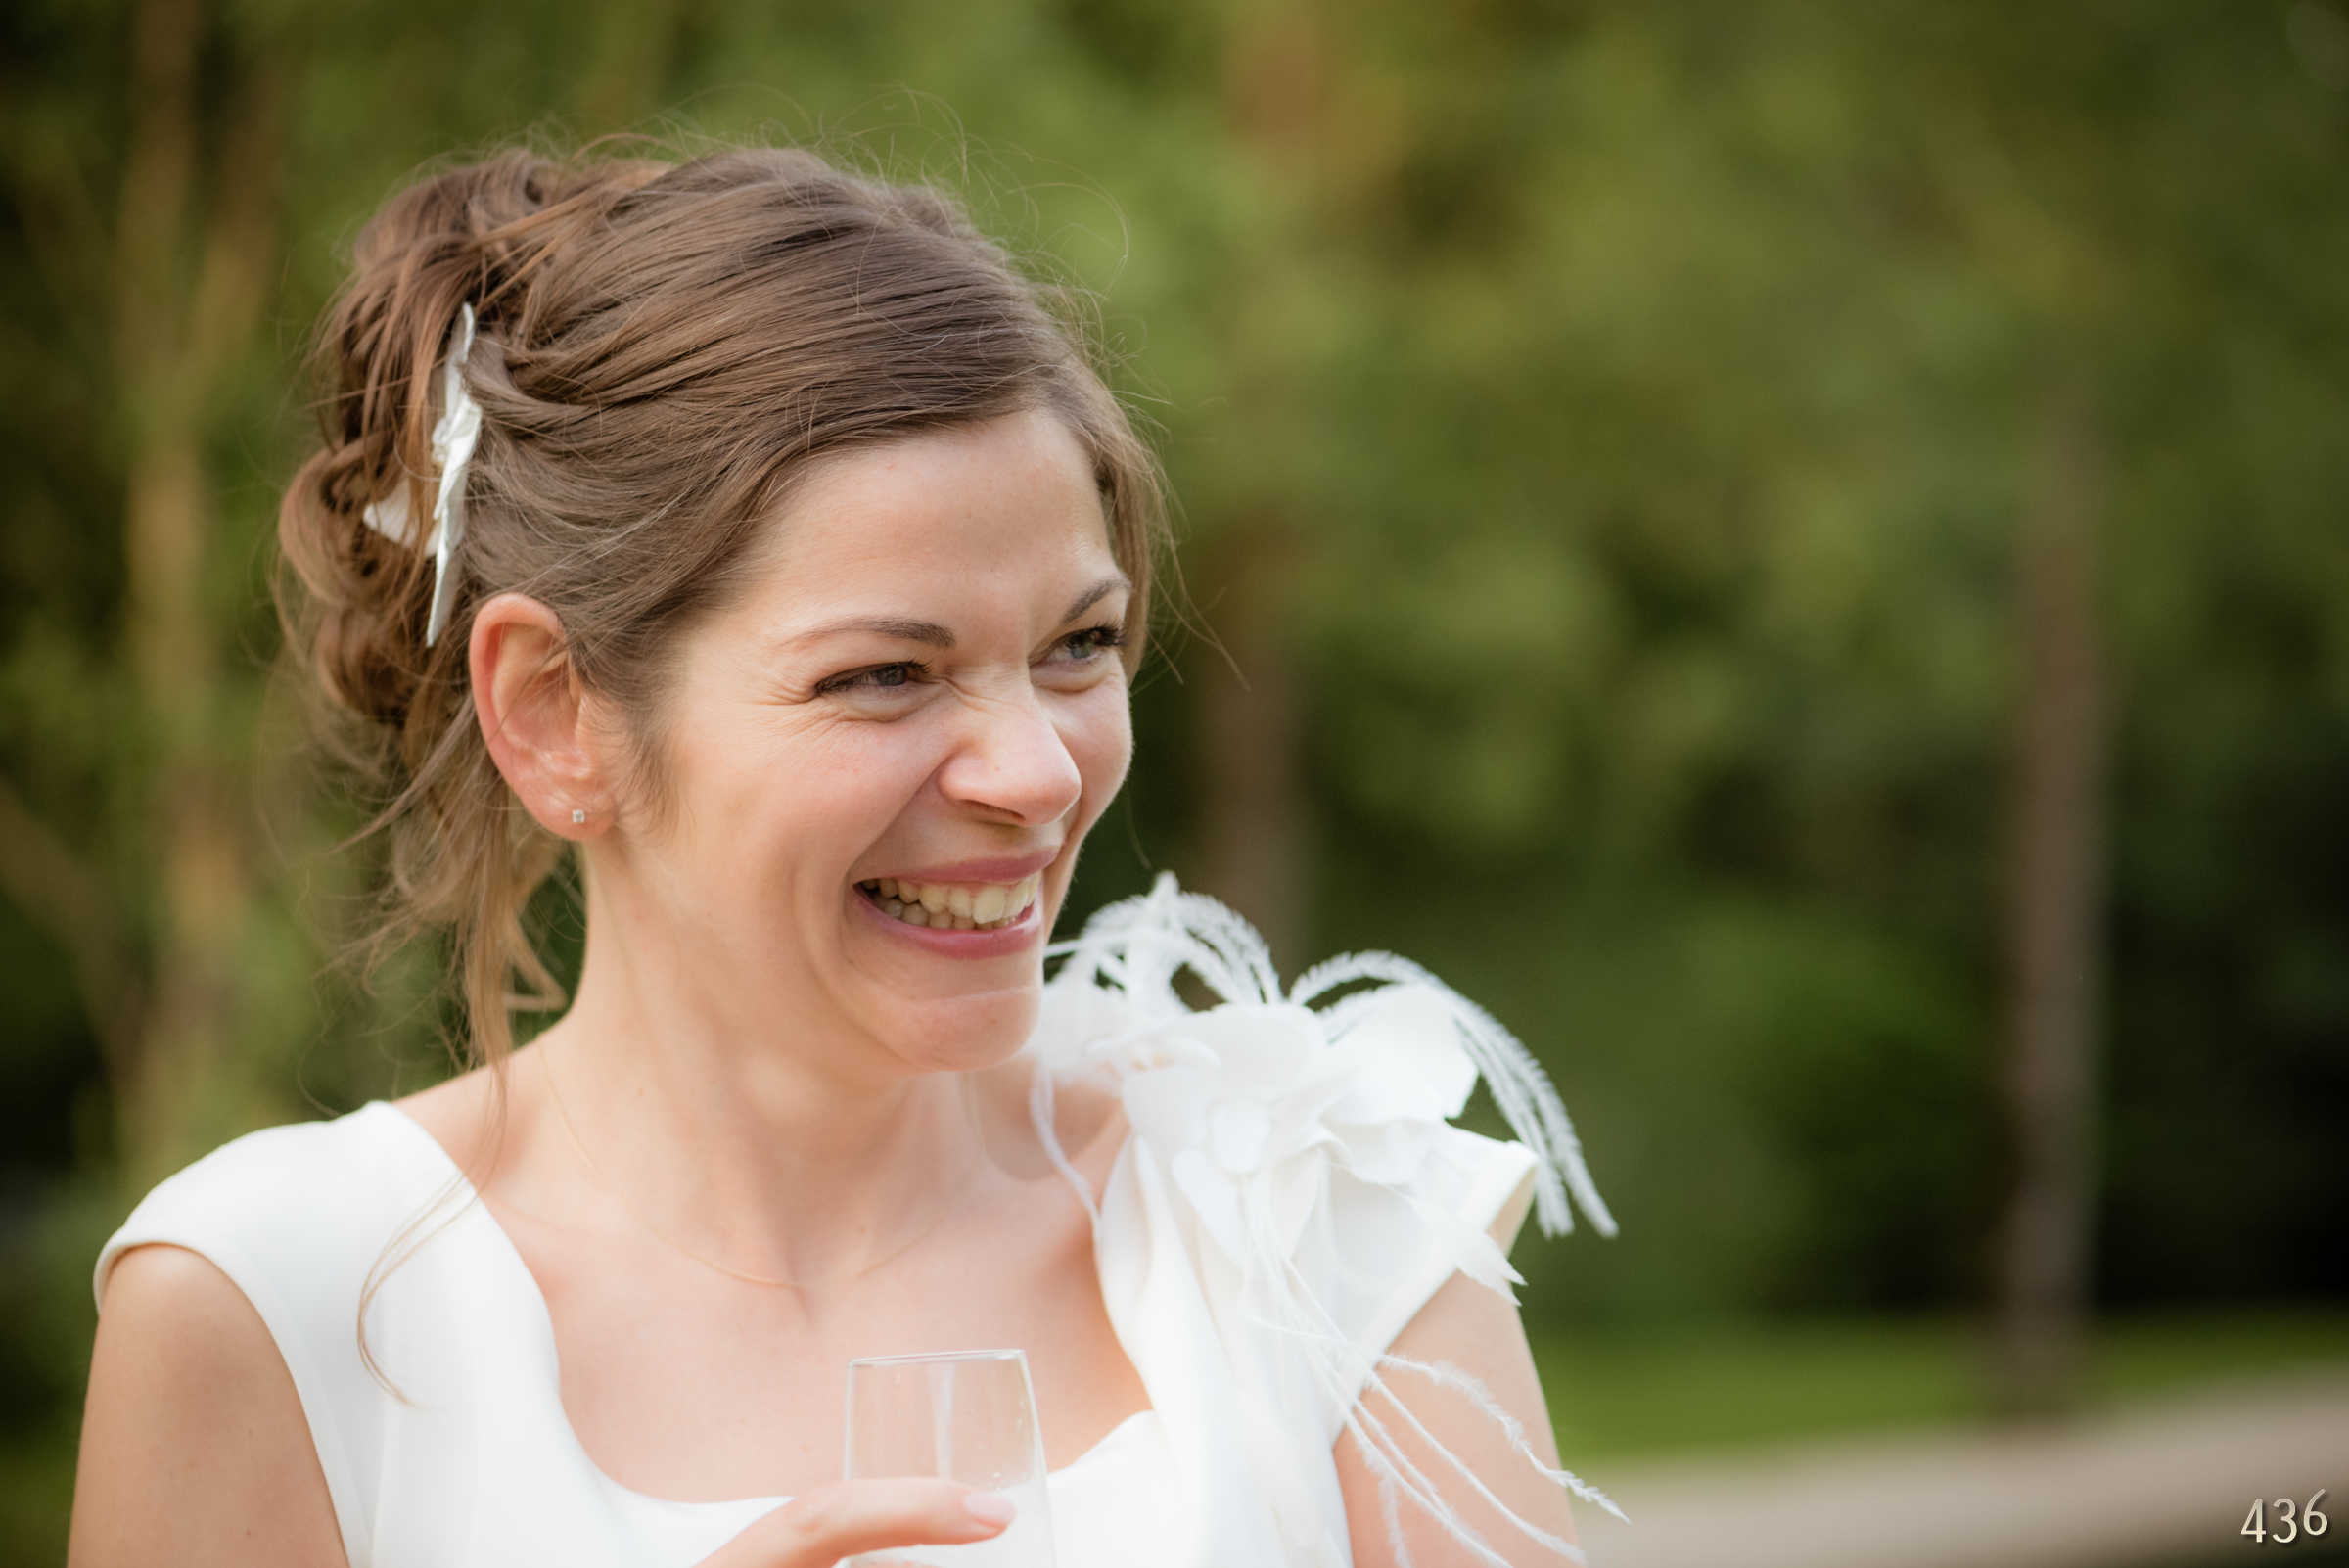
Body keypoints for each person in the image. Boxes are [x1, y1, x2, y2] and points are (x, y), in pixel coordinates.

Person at [67, 142, 1618, 1568]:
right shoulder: (272, 1310)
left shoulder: (1313, 1231)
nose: (1037, 771)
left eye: (1078, 644)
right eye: (884, 673)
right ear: (553, 713)